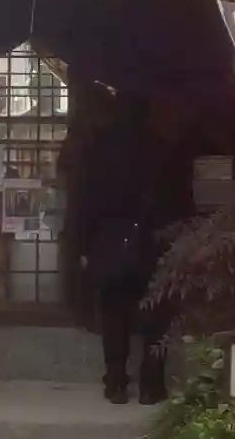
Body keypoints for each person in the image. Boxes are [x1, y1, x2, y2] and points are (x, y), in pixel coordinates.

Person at [79, 94, 186, 404]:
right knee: (156, 315)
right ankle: (151, 385)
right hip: (153, 242)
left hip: (109, 242)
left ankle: (115, 381)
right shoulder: (162, 150)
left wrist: (84, 245)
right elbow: (179, 200)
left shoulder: (100, 151)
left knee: (114, 314)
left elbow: (85, 202)